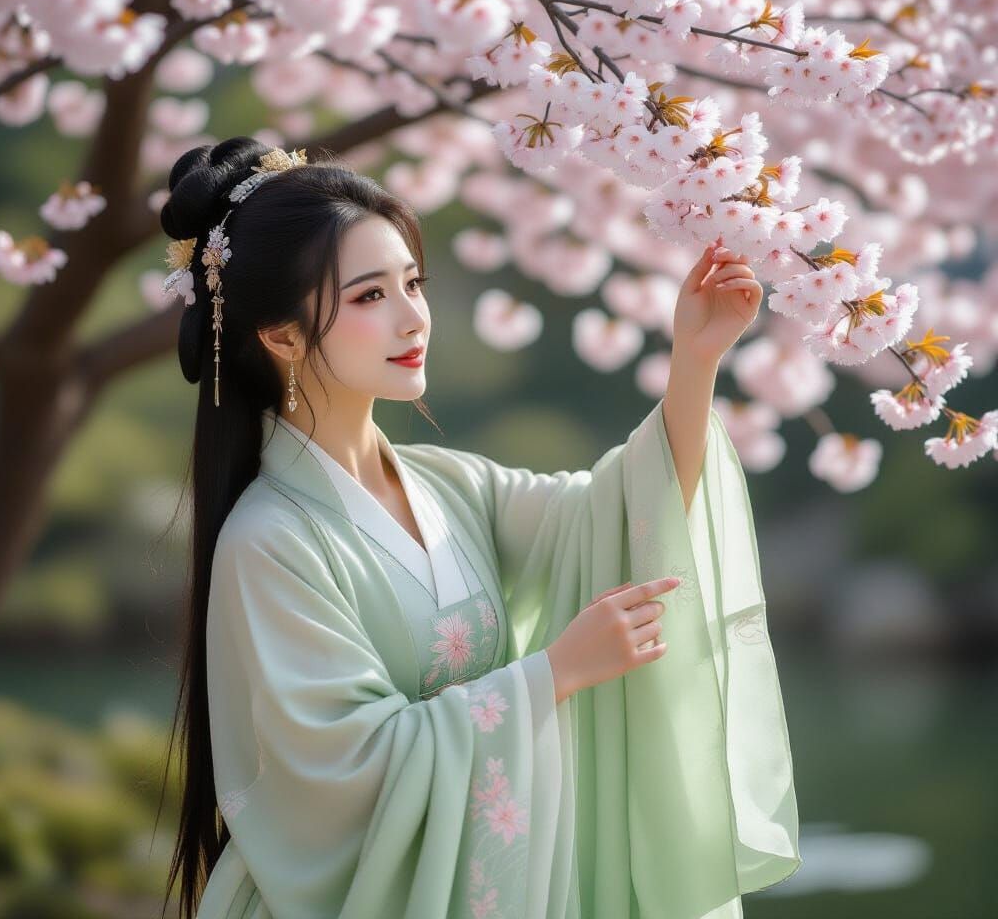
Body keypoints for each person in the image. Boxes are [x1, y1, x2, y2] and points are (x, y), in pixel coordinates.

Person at [158, 136, 801, 919]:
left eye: (412, 284)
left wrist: (694, 360)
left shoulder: (450, 486)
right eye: (369, 297)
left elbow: (617, 512)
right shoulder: (269, 542)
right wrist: (552, 674)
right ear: (281, 336)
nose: (411, 318)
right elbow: (340, 770)